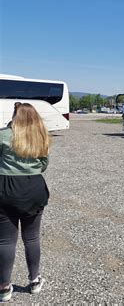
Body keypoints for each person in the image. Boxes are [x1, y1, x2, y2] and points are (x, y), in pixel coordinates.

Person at [0, 103, 50, 302]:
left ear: (15, 116)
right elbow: (44, 164)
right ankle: (35, 281)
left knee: (5, 240)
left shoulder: (3, 135)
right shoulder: (41, 135)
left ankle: (4, 287)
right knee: (32, 238)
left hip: (6, 188)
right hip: (34, 187)